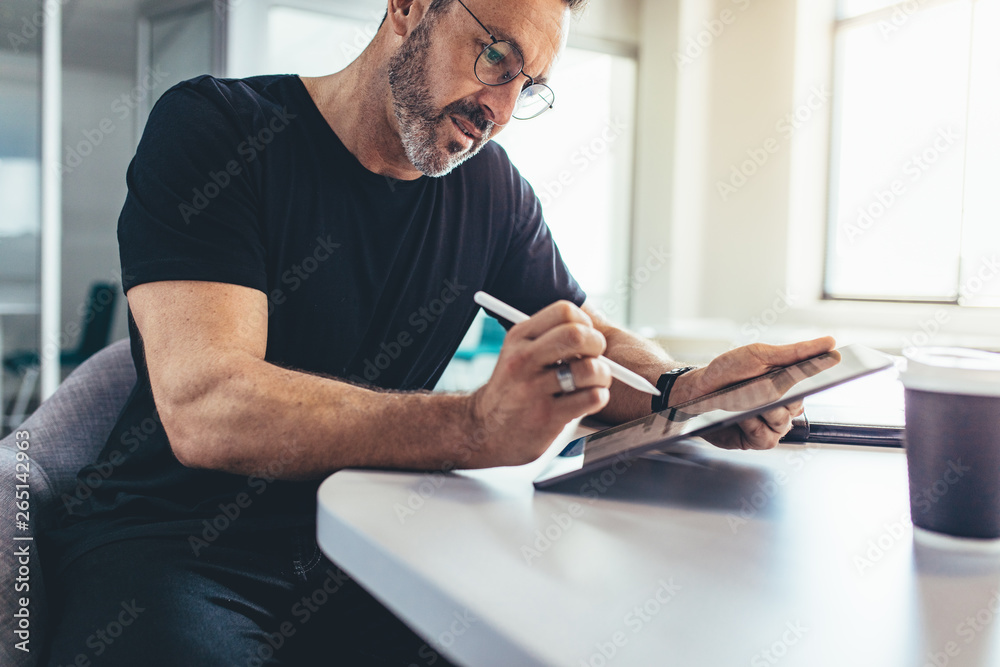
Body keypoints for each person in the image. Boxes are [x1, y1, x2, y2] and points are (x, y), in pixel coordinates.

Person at [41, 0, 834, 664]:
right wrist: (473, 426)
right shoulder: (217, 130)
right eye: (495, 55)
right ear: (409, 7)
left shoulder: (490, 191)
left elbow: (581, 335)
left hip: (368, 546)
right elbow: (208, 407)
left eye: (529, 86)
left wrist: (681, 389)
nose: (499, 109)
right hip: (176, 548)